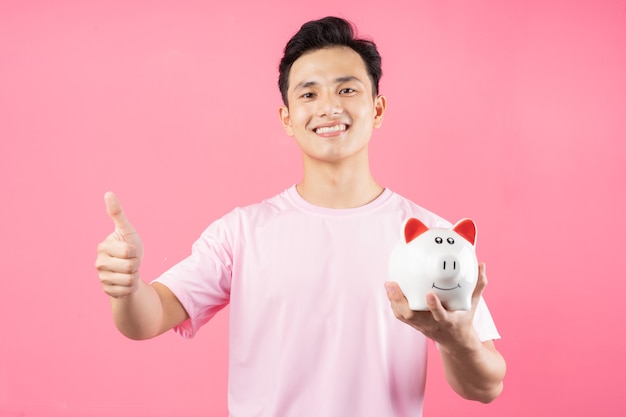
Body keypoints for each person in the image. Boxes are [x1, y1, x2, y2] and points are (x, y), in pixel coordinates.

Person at [95, 16, 506, 417]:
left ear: (377, 109)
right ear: (287, 119)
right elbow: (148, 318)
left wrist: (457, 340)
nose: (328, 107)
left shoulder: (431, 238)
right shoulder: (241, 232)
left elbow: (487, 386)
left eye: (347, 89)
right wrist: (126, 288)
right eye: (308, 94)